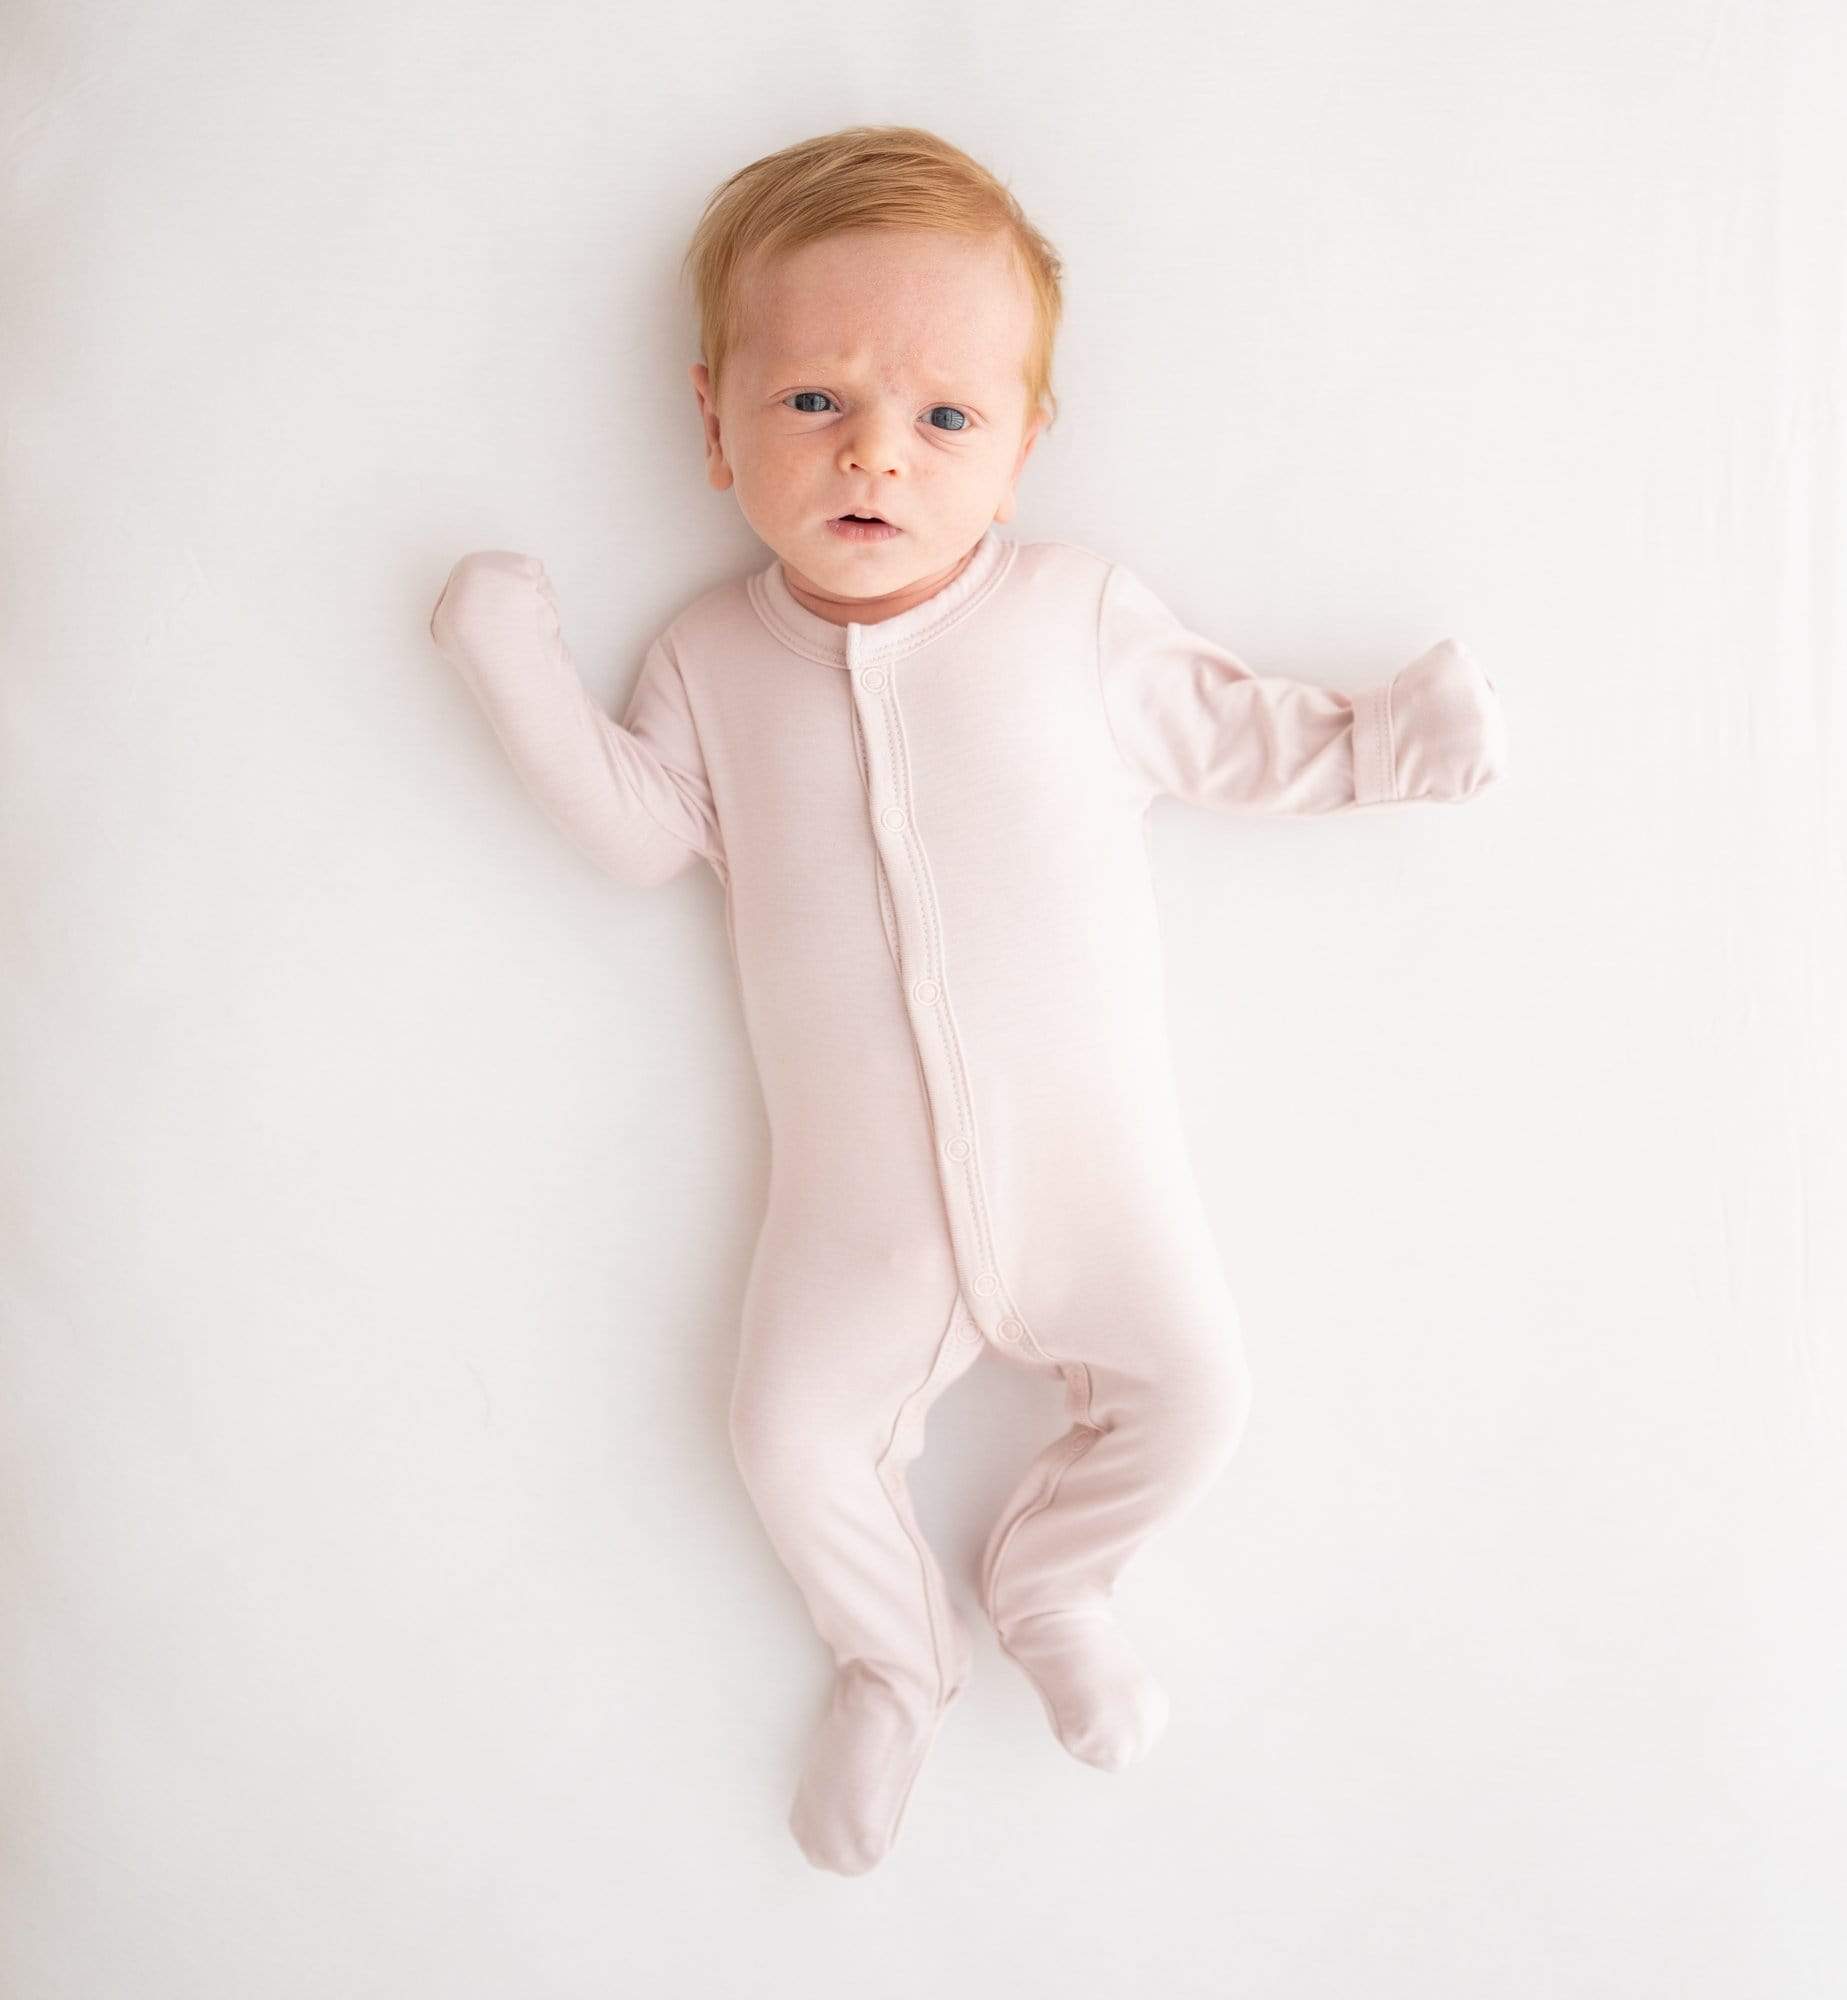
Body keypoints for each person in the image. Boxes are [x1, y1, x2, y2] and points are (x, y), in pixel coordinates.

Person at [428, 123, 1507, 1877]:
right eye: (812, 403)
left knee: (1198, 1395)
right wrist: (512, 665)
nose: (875, 452)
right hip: (856, 1216)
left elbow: (1230, 732)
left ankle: (1053, 1578)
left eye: (943, 417)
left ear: (1020, 448)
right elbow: (638, 839)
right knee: (785, 1434)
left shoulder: (1072, 617)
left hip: (1095, 1186)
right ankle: (893, 1657)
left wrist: (1392, 742)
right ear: (712, 423)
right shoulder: (710, 660)